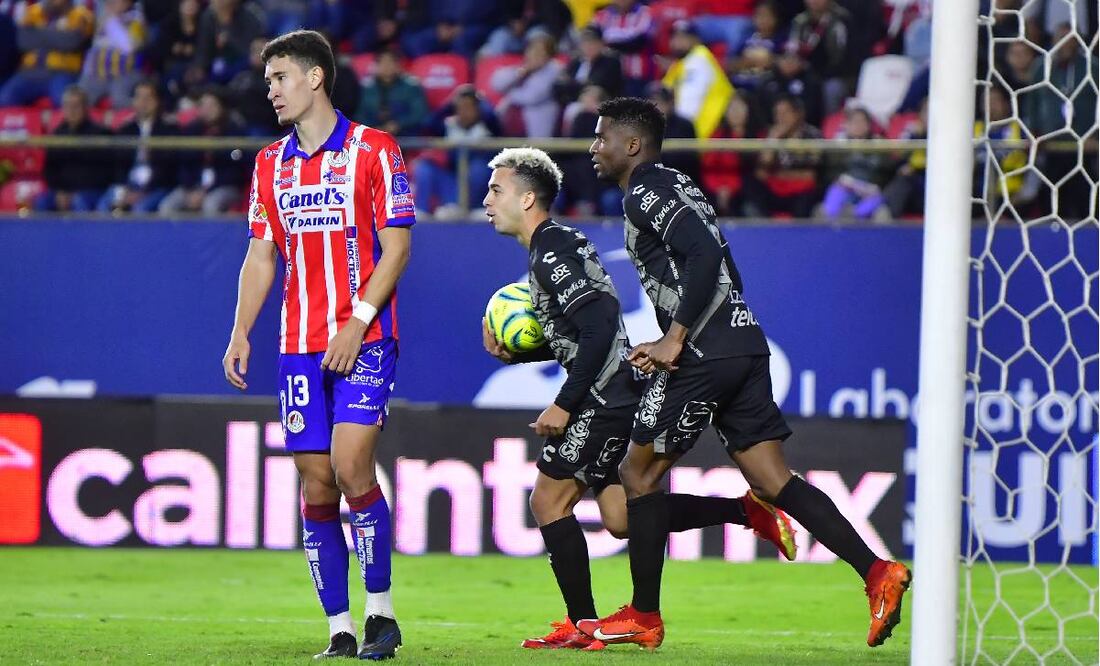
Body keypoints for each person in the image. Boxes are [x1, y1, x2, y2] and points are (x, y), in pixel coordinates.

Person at [582, 97, 911, 650]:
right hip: (740, 342)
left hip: (705, 352)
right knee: (772, 479)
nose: (594, 147)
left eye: (601, 137)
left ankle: (643, 615)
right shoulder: (680, 185)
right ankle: (877, 572)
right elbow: (720, 262)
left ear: (632, 144)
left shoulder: (646, 190)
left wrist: (676, 337)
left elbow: (706, 255)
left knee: (636, 478)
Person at [482, 146, 798, 650]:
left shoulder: (553, 249)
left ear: (528, 197)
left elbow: (601, 323)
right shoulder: (551, 246)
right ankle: (747, 512)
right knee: (622, 519)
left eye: (496, 190)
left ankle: (582, 625)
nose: (486, 200)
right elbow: (581, 331)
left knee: (548, 499)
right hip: (613, 390)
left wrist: (564, 401)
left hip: (604, 397)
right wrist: (517, 357)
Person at [221, 30, 414, 661]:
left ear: (315, 78)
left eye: (280, 77)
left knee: (352, 463)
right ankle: (339, 626)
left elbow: (398, 249)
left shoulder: (373, 151)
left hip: (365, 338)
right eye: (268, 79)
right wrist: (241, 330)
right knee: (315, 483)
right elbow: (260, 253)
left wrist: (358, 320)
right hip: (298, 346)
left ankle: (381, 615)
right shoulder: (269, 164)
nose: (271, 89)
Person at [99, 80, 178, 214]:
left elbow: (168, 169)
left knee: (140, 210)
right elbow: (118, 166)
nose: (143, 102)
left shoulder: (169, 130)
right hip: (127, 185)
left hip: (155, 187)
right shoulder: (125, 131)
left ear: (157, 101)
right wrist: (124, 191)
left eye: (148, 98)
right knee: (103, 206)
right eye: (139, 97)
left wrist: (143, 192)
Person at [0, 0, 94, 107]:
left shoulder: (83, 15)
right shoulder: (33, 12)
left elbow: (72, 42)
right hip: (30, 72)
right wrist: (59, 36)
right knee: (5, 97)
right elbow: (23, 40)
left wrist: (37, 34)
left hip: (62, 72)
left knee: (64, 101)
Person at [35, 86, 113, 213]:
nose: (72, 110)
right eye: (68, 106)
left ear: (86, 108)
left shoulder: (101, 134)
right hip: (61, 191)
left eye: (76, 106)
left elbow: (104, 173)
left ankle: (84, 233)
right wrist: (60, 192)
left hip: (91, 190)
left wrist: (73, 194)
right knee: (42, 202)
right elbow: (50, 170)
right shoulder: (57, 135)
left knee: (79, 201)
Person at [660, 20, 734, 142]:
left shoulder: (698, 60)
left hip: (704, 137)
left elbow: (688, 107)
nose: (677, 42)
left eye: (683, 37)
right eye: (675, 37)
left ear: (696, 40)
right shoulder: (680, 64)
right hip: (695, 135)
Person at [820, 105, 887, 221]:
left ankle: (856, 224)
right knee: (832, 202)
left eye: (862, 122)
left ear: (869, 125)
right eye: (854, 122)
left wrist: (870, 187)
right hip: (845, 187)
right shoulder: (837, 146)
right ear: (846, 125)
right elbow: (830, 173)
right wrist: (844, 181)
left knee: (871, 205)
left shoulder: (879, 145)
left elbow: (886, 172)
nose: (859, 126)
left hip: (870, 190)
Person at [354, 50, 429, 137]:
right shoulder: (367, 88)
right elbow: (359, 114)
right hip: (372, 135)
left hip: (406, 135)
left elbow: (420, 113)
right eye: (382, 62)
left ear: (398, 65)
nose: (386, 66)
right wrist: (373, 128)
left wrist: (398, 124)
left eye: (390, 62)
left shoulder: (411, 87)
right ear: (376, 65)